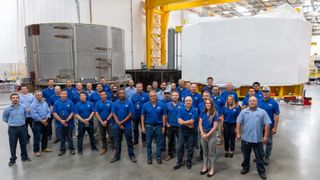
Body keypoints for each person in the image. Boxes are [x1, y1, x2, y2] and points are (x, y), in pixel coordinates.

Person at [236, 96, 271, 180]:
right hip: (246, 138)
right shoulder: (243, 112)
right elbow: (238, 122)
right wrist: (238, 133)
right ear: (248, 102)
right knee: (246, 155)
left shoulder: (262, 112)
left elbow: (267, 124)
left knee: (259, 156)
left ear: (257, 102)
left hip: (258, 139)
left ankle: (261, 171)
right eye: (250, 101)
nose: (252, 102)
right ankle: (245, 167)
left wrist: (265, 136)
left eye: (254, 101)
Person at [3, 93, 32, 166]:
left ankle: (24, 157)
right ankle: (13, 159)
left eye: (16, 97)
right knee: (13, 144)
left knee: (23, 143)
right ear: (11, 99)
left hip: (22, 128)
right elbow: (5, 119)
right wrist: (13, 123)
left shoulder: (23, 107)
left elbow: (25, 115)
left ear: (18, 99)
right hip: (12, 129)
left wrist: (20, 122)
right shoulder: (7, 109)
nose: (15, 99)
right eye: (13, 98)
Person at [110, 89, 137, 163]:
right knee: (117, 141)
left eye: (123, 93)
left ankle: (131, 155)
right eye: (120, 93)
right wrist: (118, 123)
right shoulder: (115, 103)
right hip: (117, 126)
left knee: (129, 141)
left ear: (125, 94)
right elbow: (113, 113)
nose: (121, 94)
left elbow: (130, 114)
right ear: (118, 94)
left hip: (127, 126)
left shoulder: (129, 102)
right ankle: (117, 156)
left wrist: (121, 122)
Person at [141, 90, 166, 165]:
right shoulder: (145, 105)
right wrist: (142, 127)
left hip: (158, 126)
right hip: (148, 126)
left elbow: (164, 116)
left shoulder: (161, 105)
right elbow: (142, 116)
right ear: (149, 97)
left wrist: (164, 126)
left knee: (159, 143)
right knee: (148, 143)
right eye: (151, 96)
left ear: (156, 96)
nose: (152, 97)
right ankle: (149, 158)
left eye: (154, 96)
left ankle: (158, 157)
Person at [173, 96, 198, 170]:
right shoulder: (181, 109)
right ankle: (179, 162)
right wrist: (188, 123)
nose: (188, 102)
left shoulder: (194, 110)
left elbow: (192, 122)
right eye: (186, 101)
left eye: (190, 101)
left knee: (190, 148)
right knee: (180, 147)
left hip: (191, 132)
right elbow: (179, 120)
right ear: (184, 102)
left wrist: (183, 122)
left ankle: (189, 161)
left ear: (192, 102)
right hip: (182, 131)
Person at [258, 86, 280, 165]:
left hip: (269, 126)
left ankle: (267, 156)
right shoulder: (259, 101)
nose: (265, 93)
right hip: (259, 126)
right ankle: (259, 155)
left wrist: (275, 128)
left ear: (270, 93)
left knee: (269, 142)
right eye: (264, 91)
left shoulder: (274, 103)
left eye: (267, 91)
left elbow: (276, 116)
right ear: (262, 92)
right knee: (258, 141)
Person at [199, 99, 219, 177]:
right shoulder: (202, 113)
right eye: (206, 103)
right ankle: (205, 167)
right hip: (203, 134)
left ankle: (212, 169)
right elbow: (200, 124)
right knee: (204, 152)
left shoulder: (215, 114)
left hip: (212, 135)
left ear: (211, 104)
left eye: (209, 103)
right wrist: (202, 133)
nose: (207, 104)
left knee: (212, 153)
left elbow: (215, 127)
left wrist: (207, 135)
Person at [52, 90, 76, 156]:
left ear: (67, 95)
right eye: (62, 94)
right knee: (62, 137)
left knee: (69, 137)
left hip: (69, 123)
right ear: (60, 95)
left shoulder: (70, 102)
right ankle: (62, 149)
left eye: (65, 94)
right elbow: (54, 113)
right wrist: (61, 121)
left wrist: (66, 121)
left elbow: (72, 112)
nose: (63, 95)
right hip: (59, 123)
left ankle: (71, 148)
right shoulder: (56, 103)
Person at [30, 91, 51, 157]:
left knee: (45, 135)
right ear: (35, 96)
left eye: (40, 95)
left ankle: (44, 147)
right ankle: (36, 150)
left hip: (45, 120)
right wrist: (42, 120)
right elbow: (34, 115)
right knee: (37, 137)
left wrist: (46, 118)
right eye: (38, 95)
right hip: (37, 123)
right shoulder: (33, 105)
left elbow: (48, 111)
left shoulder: (44, 102)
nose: (39, 96)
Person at [165, 91, 184, 161]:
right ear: (171, 96)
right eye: (173, 95)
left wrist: (183, 123)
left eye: (176, 95)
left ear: (178, 96)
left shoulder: (182, 105)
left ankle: (181, 155)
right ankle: (170, 154)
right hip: (170, 126)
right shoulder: (167, 105)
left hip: (179, 126)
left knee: (181, 141)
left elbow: (184, 115)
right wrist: (166, 123)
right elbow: (165, 115)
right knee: (170, 141)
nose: (175, 97)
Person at [94, 91, 115, 155]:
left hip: (109, 122)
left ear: (106, 95)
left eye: (104, 95)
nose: (103, 96)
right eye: (101, 95)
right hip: (101, 123)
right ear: (100, 96)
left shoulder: (110, 102)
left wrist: (106, 120)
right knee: (103, 136)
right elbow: (96, 113)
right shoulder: (97, 103)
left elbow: (112, 112)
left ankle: (114, 147)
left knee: (111, 136)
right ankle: (104, 148)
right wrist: (101, 121)